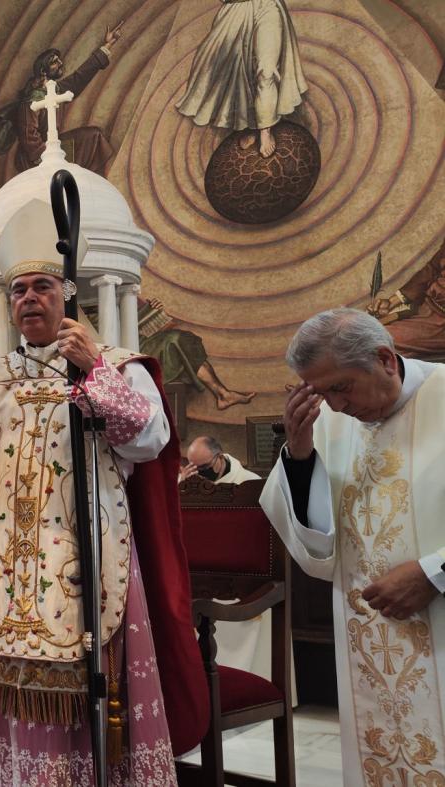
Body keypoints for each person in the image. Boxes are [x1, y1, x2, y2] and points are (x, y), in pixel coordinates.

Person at [0, 199, 205, 784]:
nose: (28, 298)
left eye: (42, 286)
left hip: (92, 571)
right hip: (4, 578)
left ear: (67, 293)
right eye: (18, 288)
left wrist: (94, 370)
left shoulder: (119, 368)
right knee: (11, 719)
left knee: (90, 717)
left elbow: (148, 440)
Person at [260, 308, 445, 786]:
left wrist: (434, 572)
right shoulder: (331, 421)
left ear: (385, 359)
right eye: (321, 393)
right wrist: (300, 457)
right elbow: (315, 536)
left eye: (341, 387)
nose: (336, 406)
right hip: (368, 640)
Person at [0, 23, 124, 173]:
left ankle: (91, 182)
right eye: (54, 62)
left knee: (95, 137)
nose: (60, 63)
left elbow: (80, 77)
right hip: (36, 158)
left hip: (53, 148)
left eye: (59, 60)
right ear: (44, 71)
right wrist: (48, 160)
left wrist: (108, 44)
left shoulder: (55, 89)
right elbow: (28, 136)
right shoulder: (32, 100)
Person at [175, 0, 307, 157]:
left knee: (266, 72)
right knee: (241, 75)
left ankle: (265, 130)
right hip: (236, 12)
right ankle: (253, 125)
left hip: (268, 7)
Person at [181, 435, 261, 484]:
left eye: (204, 466)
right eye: (193, 466)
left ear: (220, 456)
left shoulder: (251, 481)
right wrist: (182, 488)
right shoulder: (185, 479)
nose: (198, 472)